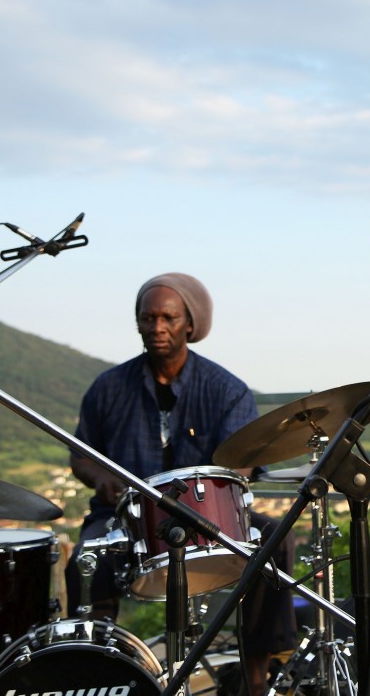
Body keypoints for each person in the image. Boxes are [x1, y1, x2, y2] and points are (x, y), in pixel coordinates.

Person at [66, 272, 297, 696]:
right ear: (137, 323)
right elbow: (80, 455)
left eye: (168, 318)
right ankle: (95, 671)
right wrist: (101, 477)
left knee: (277, 541)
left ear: (189, 324)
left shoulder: (225, 389)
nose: (157, 327)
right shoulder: (108, 388)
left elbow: (244, 463)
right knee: (85, 560)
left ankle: (256, 673)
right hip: (126, 521)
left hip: (208, 520)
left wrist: (226, 480)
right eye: (148, 318)